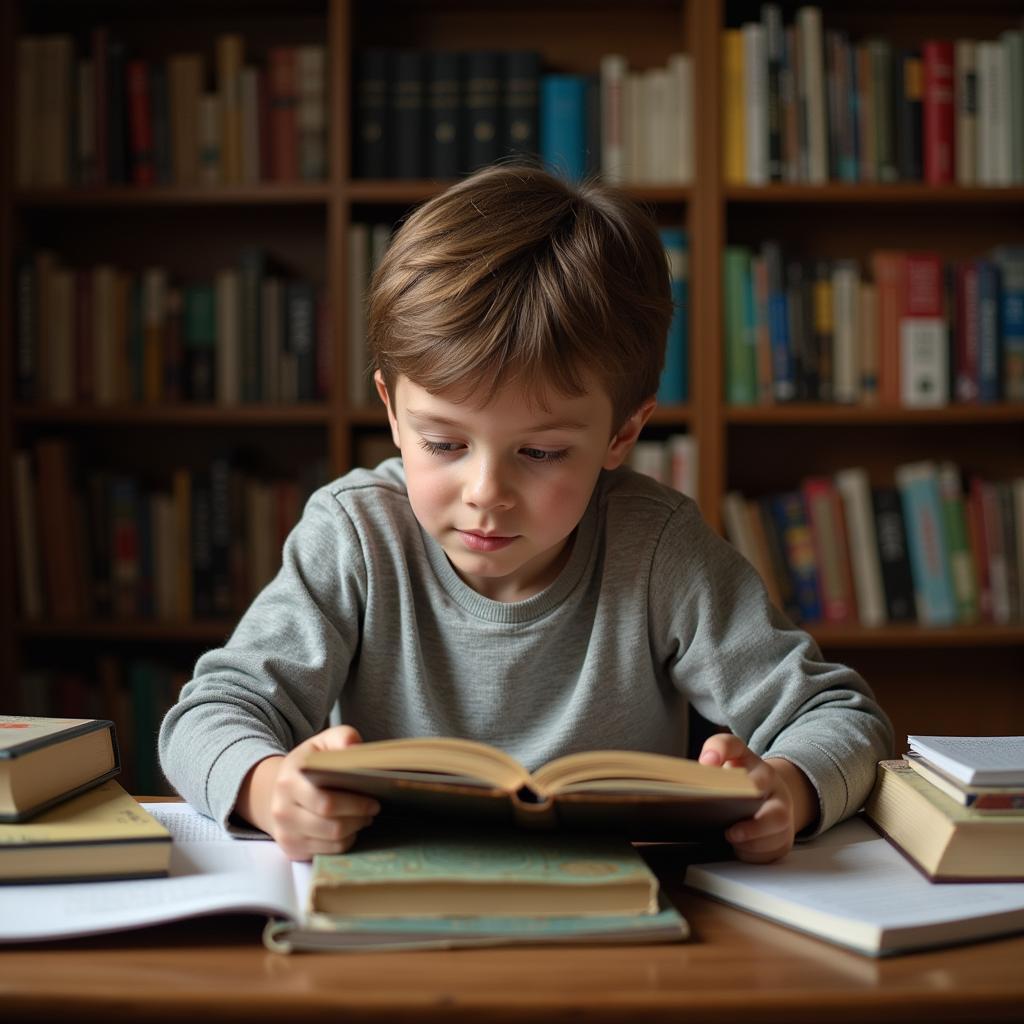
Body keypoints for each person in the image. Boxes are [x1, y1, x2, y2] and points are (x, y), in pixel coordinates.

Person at [159, 164, 892, 863]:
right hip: (391, 915)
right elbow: (207, 716)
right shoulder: (355, 536)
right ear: (391, 409)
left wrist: (788, 790)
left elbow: (846, 721)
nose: (486, 492)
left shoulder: (657, 547)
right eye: (443, 442)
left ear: (621, 434)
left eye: (540, 453)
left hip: (621, 925)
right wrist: (266, 787)